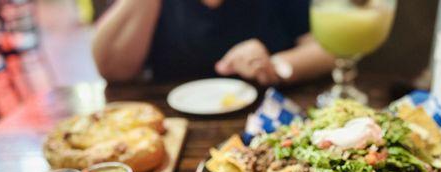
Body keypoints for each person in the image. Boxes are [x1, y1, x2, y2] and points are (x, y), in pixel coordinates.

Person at [92, 0, 335, 85]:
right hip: (171, 130)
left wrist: (274, 65)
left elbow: (327, 49)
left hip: (266, 121)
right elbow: (113, 70)